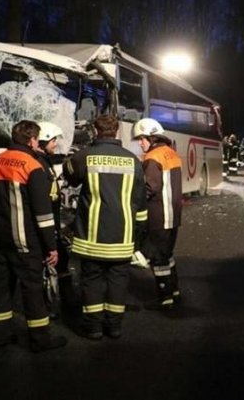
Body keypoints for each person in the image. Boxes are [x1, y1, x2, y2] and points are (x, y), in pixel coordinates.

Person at [0, 120, 67, 352]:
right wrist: (51, 246)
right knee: (32, 290)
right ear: (32, 140)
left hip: (0, 240)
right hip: (26, 242)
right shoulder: (32, 166)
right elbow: (43, 214)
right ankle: (40, 339)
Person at [63, 115, 147, 340]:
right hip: (122, 238)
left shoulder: (86, 156)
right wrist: (137, 239)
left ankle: (94, 328)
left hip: (91, 238)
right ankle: (115, 326)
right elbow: (141, 204)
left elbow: (68, 174)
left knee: (91, 282)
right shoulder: (133, 161)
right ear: (117, 131)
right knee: (118, 282)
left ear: (96, 132)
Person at [132, 118, 183, 309]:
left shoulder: (152, 157)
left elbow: (151, 187)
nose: (140, 143)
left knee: (158, 259)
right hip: (173, 216)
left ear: (152, 138)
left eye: (142, 139)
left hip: (158, 215)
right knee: (168, 254)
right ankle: (175, 291)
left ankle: (165, 298)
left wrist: (134, 200)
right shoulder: (171, 153)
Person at [36, 122, 77, 310]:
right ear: (44, 141)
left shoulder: (44, 163)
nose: (55, 144)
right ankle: (50, 307)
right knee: (51, 265)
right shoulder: (39, 165)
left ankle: (65, 301)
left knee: (61, 262)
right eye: (53, 141)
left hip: (50, 224)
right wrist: (49, 238)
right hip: (44, 226)